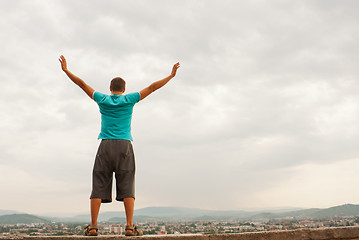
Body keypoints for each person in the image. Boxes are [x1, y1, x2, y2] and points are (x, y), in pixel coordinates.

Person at [59, 55, 180, 236]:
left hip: (105, 145)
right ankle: (130, 227)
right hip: (124, 146)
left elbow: (82, 84)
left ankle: (93, 227)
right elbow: (152, 87)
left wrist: (66, 70)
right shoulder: (129, 99)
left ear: (110, 88)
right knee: (128, 184)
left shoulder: (103, 99)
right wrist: (171, 76)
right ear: (124, 89)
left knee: (98, 184)